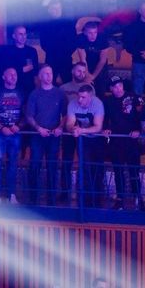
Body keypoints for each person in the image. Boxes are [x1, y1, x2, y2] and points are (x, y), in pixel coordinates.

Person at [103, 75, 145, 211]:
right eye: (115, 86)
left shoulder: (134, 98)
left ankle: (138, 199)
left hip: (132, 141)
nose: (118, 88)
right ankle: (120, 200)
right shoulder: (108, 101)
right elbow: (105, 119)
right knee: (118, 171)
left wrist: (139, 130)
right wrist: (106, 128)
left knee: (134, 172)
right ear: (111, 88)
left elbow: (144, 115)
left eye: (120, 85)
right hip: (116, 141)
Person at [26, 65, 67, 206]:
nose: (49, 76)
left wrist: (60, 127)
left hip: (53, 136)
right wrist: (39, 128)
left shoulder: (60, 93)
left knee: (52, 167)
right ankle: (33, 199)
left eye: (51, 73)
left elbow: (65, 115)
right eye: (46, 73)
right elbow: (29, 116)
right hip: (37, 136)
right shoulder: (34, 94)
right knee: (34, 165)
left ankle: (51, 200)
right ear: (40, 76)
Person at [0, 67, 25, 204]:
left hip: (15, 134)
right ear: (3, 77)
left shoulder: (22, 93)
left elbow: (26, 114)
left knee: (13, 164)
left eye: (15, 74)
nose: (13, 76)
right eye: (10, 74)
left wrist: (18, 126)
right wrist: (2, 127)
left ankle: (12, 194)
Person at [66, 84, 104, 208]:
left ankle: (97, 198)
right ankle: (86, 198)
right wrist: (73, 129)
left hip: (97, 139)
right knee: (84, 167)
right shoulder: (72, 104)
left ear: (90, 97)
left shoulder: (97, 104)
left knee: (97, 168)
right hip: (83, 139)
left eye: (83, 97)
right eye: (79, 96)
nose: (79, 100)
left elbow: (98, 127)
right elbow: (69, 123)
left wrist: (81, 130)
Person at [59, 62, 92, 198]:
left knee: (85, 162)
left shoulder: (90, 88)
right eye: (79, 71)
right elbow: (61, 110)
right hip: (68, 131)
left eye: (84, 72)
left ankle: (84, 193)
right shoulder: (63, 88)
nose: (81, 74)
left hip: (84, 131)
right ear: (72, 71)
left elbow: (92, 109)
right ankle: (64, 192)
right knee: (66, 161)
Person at [36, 0, 77, 85]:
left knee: (68, 85)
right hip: (51, 58)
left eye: (58, 8)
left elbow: (73, 42)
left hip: (66, 59)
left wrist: (65, 53)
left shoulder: (69, 23)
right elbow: (43, 43)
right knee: (49, 84)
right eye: (54, 9)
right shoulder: (45, 24)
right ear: (49, 10)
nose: (56, 11)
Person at [0, 25, 39, 96]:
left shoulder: (32, 51)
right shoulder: (7, 51)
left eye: (24, 34)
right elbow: (6, 69)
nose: (23, 37)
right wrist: (22, 69)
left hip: (29, 87)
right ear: (14, 36)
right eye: (20, 34)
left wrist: (18, 69)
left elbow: (35, 70)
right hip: (13, 87)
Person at [75, 21, 110, 96]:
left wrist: (93, 76)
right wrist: (87, 75)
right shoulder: (80, 38)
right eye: (90, 33)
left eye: (95, 32)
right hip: (87, 65)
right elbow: (83, 59)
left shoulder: (103, 39)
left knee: (101, 89)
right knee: (87, 87)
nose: (93, 36)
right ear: (85, 33)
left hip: (100, 66)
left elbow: (102, 60)